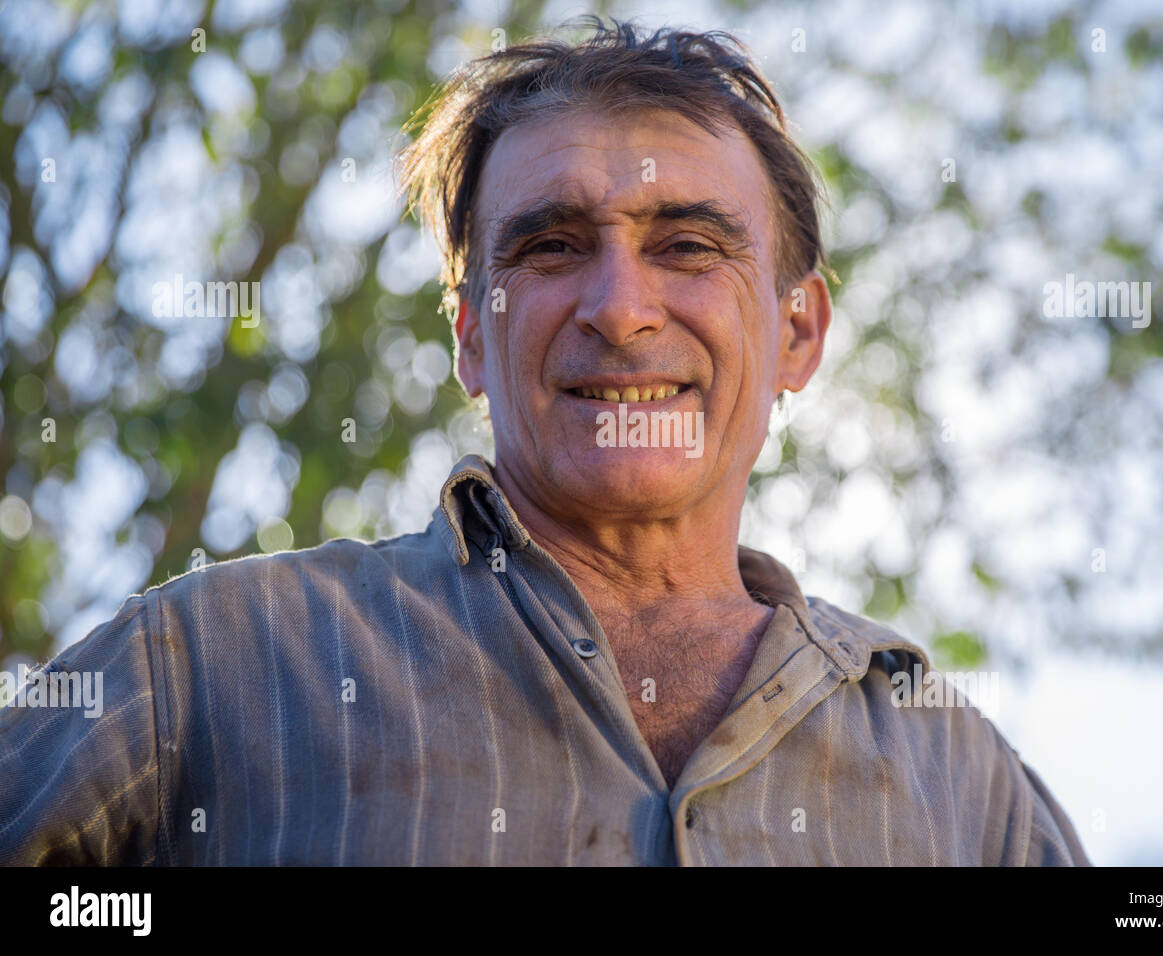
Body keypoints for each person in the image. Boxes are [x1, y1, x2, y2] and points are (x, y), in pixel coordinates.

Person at [0, 19, 1089, 866]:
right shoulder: (210, 664)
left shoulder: (959, 775)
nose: (620, 308)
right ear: (474, 337)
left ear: (797, 330)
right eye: (554, 247)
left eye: (688, 245)